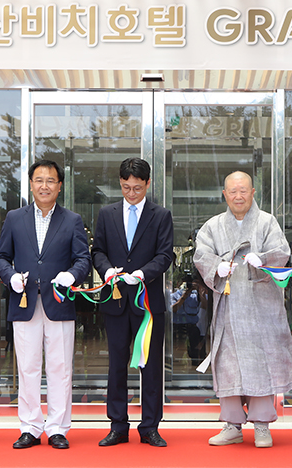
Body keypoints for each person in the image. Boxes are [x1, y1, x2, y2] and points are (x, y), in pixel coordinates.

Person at [193, 171, 292, 448]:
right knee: (228, 363)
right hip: (229, 306)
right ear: (225, 195)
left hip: (261, 308)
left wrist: (263, 259)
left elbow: (282, 252)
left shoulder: (267, 222)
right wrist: (216, 266)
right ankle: (232, 425)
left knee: (260, 364)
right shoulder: (214, 225)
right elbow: (201, 254)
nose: (238, 196)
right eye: (233, 191)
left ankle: (262, 425)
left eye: (243, 190)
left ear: (253, 192)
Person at [0, 159, 91, 449]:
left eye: (50, 180)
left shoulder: (72, 220)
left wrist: (71, 276)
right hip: (23, 302)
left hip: (59, 303)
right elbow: (1, 257)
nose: (44, 185)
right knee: (28, 366)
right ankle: (30, 427)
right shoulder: (15, 217)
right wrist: (10, 277)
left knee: (61, 367)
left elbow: (83, 260)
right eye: (39, 180)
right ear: (31, 184)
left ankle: (58, 428)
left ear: (59, 186)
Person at [91, 158, 174, 448]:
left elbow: (165, 255)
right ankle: (118, 426)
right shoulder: (107, 213)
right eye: (126, 187)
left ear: (148, 184)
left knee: (150, 367)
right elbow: (97, 250)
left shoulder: (160, 215)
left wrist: (142, 273)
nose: (131, 193)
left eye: (137, 188)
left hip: (148, 303)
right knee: (116, 365)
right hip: (115, 301)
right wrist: (108, 270)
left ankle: (150, 426)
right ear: (120, 183)